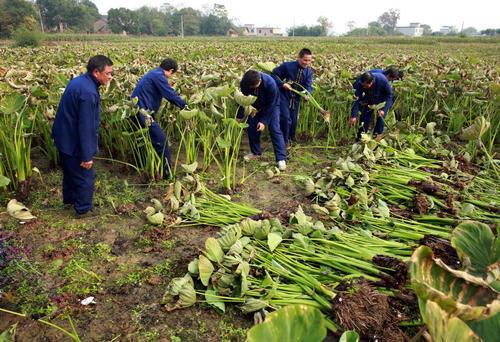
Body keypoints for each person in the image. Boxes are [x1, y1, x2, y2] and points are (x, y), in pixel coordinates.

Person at [52, 55, 113, 217]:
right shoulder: (88, 93)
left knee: (70, 172)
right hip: (71, 139)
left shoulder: (79, 81)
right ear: (96, 72)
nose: (110, 77)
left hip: (63, 136)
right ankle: (83, 210)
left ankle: (70, 200)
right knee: (85, 177)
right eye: (107, 73)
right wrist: (86, 156)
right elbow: (86, 127)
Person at [131, 58, 187, 178]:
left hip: (137, 111)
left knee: (144, 141)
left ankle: (142, 168)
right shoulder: (159, 76)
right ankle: (167, 174)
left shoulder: (153, 73)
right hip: (143, 113)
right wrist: (184, 106)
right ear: (170, 70)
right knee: (161, 140)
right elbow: (169, 94)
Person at [238, 70, 287, 170]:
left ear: (259, 80)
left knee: (274, 128)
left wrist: (263, 121)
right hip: (254, 105)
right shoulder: (244, 83)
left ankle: (281, 158)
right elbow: (242, 99)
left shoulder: (270, 83)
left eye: (254, 86)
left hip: (271, 105)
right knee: (251, 127)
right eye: (250, 87)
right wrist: (239, 116)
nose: (251, 88)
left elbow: (271, 105)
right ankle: (255, 153)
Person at [271, 48, 314, 145]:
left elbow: (308, 86)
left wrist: (307, 94)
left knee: (293, 120)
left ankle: (290, 138)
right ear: (299, 58)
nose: (307, 63)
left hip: (296, 98)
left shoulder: (308, 72)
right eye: (305, 60)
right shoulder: (287, 66)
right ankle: (284, 141)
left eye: (309, 60)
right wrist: (282, 84)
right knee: (286, 118)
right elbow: (273, 75)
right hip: (283, 95)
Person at [349, 71, 394, 141]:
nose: (364, 87)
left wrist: (384, 109)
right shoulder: (358, 83)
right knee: (364, 118)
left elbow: (390, 96)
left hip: (381, 99)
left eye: (365, 86)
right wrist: (353, 116)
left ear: (371, 82)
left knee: (381, 118)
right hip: (368, 99)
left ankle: (377, 137)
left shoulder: (382, 80)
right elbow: (356, 99)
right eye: (363, 85)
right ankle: (360, 138)